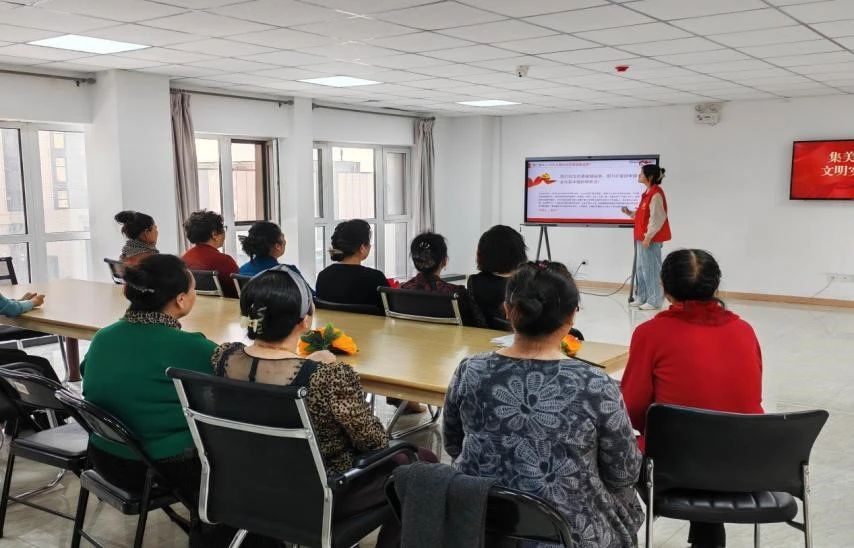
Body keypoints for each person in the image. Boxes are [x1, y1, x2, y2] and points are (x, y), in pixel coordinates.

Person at [213, 266, 436, 548]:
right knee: (422, 464)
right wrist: (318, 369)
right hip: (319, 495)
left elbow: (267, 372)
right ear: (305, 321)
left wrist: (307, 364)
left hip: (245, 488)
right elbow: (374, 442)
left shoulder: (224, 357)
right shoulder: (327, 377)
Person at [444, 262, 644, 548]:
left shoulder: (472, 370)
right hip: (572, 532)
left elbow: (453, 444)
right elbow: (624, 472)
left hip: (483, 522)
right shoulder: (594, 384)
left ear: (508, 310)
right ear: (572, 316)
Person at [620, 249, 763, 548]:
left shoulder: (651, 333)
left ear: (664, 287)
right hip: (744, 464)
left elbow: (631, 410)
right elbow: (744, 398)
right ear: (715, 285)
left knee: (611, 448)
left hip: (673, 469)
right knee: (708, 434)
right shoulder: (744, 330)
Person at [81, 254, 223, 547]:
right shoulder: (189, 347)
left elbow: (86, 372)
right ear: (181, 300)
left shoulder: (103, 337)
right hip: (159, 467)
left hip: (103, 456)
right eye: (193, 290)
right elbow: (233, 383)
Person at [401, 232, 486, 328]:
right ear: (444, 261)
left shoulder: (402, 289)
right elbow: (476, 325)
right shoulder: (457, 293)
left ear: (415, 261)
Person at [621, 164, 671, 310]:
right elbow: (643, 215)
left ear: (649, 177)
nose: (639, 175)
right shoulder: (647, 193)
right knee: (641, 268)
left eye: (641, 173)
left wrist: (648, 237)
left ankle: (654, 300)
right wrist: (630, 213)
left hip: (650, 239)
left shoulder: (656, 194)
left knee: (651, 269)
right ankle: (642, 296)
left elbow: (657, 218)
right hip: (642, 238)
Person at [315, 219, 389, 309]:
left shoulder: (323, 276)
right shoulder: (376, 278)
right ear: (362, 248)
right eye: (369, 242)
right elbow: (393, 311)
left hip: (331, 319)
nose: (370, 246)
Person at [466, 225, 528, 329]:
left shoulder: (474, 282)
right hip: (520, 336)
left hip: (483, 336)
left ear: (483, 254)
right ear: (519, 253)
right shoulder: (527, 283)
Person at [238, 221, 315, 294]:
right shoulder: (288, 272)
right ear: (277, 246)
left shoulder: (242, 270)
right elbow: (312, 297)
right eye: (283, 237)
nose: (285, 241)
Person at [181, 210, 239, 298]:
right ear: (214, 234)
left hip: (195, 305)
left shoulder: (184, 259)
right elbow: (240, 292)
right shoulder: (224, 261)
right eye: (223, 228)